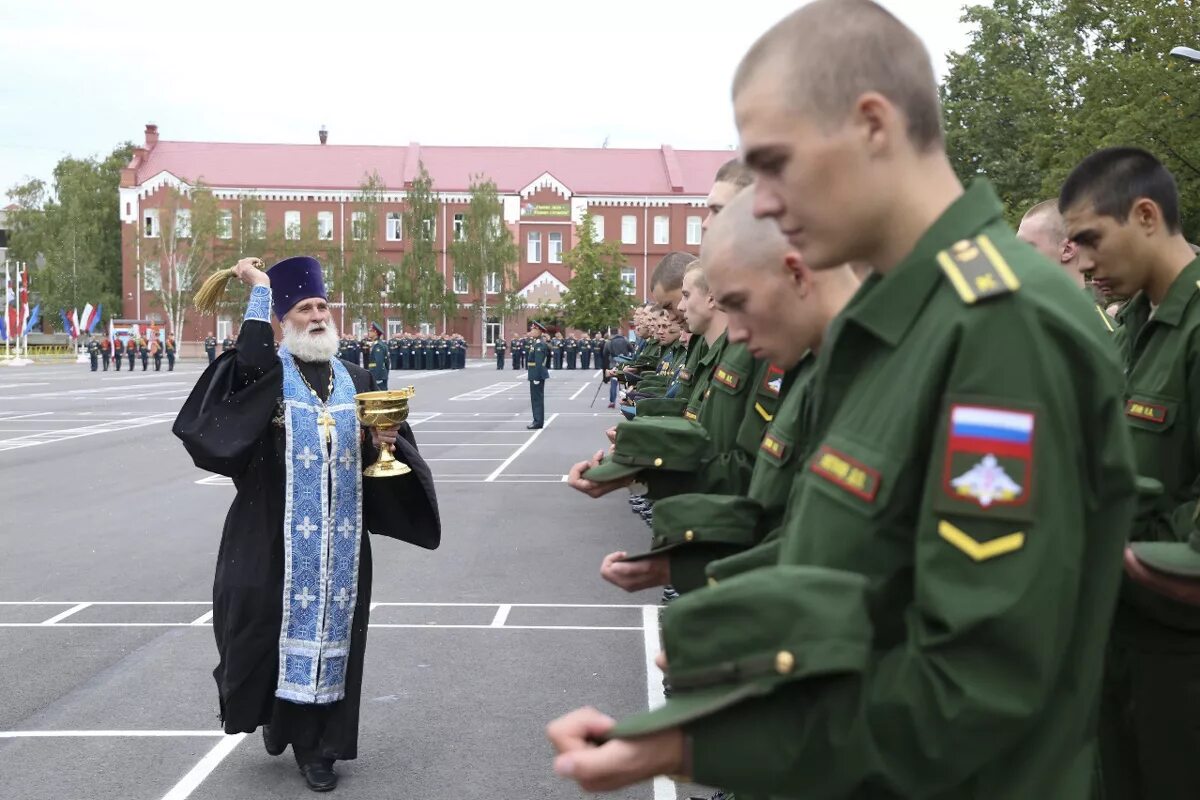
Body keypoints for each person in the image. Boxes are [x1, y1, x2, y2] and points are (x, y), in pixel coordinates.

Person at [547, 2, 1137, 797]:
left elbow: (978, 690)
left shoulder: (1003, 329)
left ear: (871, 124)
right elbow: (855, 588)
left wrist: (697, 747)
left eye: (775, 162)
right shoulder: (891, 326)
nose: (762, 203)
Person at [173, 256, 440, 793]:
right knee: (262, 631)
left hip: (341, 541)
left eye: (322, 306)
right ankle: (284, 723)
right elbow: (245, 362)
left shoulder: (357, 379)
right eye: (303, 308)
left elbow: (382, 449)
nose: (317, 315)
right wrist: (259, 289)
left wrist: (384, 444)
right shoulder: (267, 378)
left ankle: (321, 748)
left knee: (337, 639)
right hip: (273, 537)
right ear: (282, 319)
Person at [1059, 147, 1200, 800]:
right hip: (1118, 640)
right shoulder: (1131, 331)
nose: (1080, 261)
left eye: (1090, 239)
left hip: (1178, 653)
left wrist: (1134, 552)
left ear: (1145, 216)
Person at [526, 325, 550, 429]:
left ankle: (538, 421)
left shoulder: (540, 344)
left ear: (539, 331)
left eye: (533, 330)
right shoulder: (536, 343)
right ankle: (537, 420)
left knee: (537, 399)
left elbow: (539, 363)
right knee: (535, 399)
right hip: (534, 373)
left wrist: (536, 376)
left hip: (537, 374)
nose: (531, 331)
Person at [603, 330, 631, 408]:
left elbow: (605, 353)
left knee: (613, 383)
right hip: (624, 364)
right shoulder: (625, 340)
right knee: (627, 383)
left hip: (614, 364)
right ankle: (628, 400)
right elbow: (631, 350)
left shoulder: (609, 342)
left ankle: (612, 401)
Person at [366, 322, 390, 391]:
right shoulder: (378, 344)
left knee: (380, 397)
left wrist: (376, 378)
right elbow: (387, 363)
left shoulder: (378, 346)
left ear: (375, 332)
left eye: (370, 331)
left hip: (378, 376)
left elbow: (379, 363)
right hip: (378, 375)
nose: (369, 332)